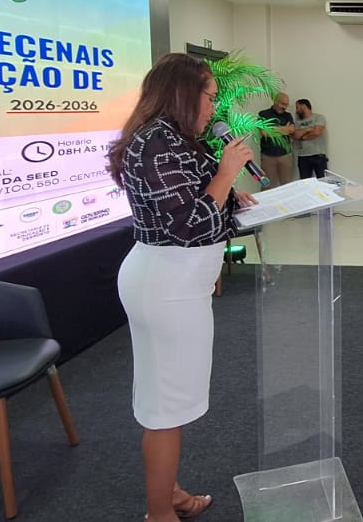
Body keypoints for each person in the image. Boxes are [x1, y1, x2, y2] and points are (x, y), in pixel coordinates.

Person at [109, 53, 261, 522]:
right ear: (182, 93)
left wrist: (230, 196)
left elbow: (195, 204)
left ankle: (167, 492)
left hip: (177, 285)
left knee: (166, 402)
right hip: (167, 287)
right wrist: (226, 174)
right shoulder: (156, 143)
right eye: (210, 97)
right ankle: (160, 512)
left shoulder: (172, 138)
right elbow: (190, 225)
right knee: (165, 409)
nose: (214, 108)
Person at [255, 92, 295, 189]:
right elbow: (264, 132)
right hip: (268, 156)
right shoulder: (263, 114)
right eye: (282, 104)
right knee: (268, 186)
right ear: (275, 101)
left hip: (285, 155)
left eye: (286, 105)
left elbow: (291, 130)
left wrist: (272, 130)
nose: (284, 107)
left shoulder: (288, 115)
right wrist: (283, 129)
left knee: (287, 186)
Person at [291, 98, 328, 179]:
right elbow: (295, 136)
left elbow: (317, 132)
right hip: (303, 156)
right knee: (305, 182)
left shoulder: (319, 117)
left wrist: (303, 137)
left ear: (303, 106)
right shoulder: (297, 122)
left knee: (323, 181)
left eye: (297, 107)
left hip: (318, 155)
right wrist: (308, 129)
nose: (296, 110)